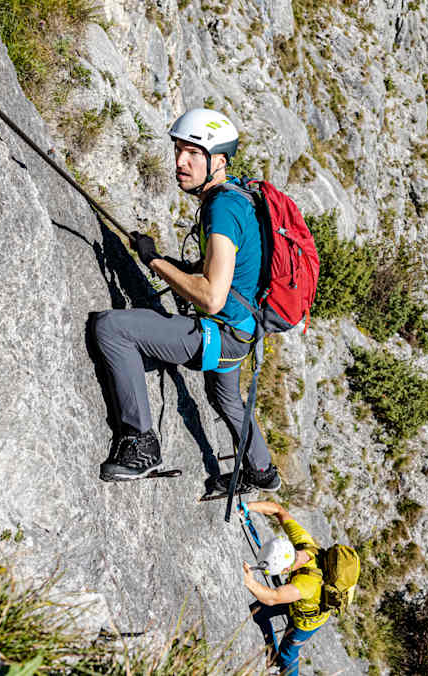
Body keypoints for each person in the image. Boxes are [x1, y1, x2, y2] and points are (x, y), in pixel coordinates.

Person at [94, 107, 280, 494]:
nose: (181, 162)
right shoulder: (240, 196)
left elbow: (211, 297)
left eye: (193, 154)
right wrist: (178, 265)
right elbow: (227, 269)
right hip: (243, 330)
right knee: (224, 395)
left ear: (219, 161)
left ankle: (141, 445)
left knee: (112, 329)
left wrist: (155, 261)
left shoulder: (222, 208)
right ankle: (262, 471)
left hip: (223, 332)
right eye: (178, 150)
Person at [242, 500, 331, 676]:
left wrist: (250, 582)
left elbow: (272, 597)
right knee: (258, 611)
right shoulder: (303, 543)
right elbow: (278, 510)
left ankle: (282, 668)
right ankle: (271, 658)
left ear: (284, 569)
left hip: (307, 619)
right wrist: (247, 507)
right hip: (298, 602)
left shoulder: (306, 584)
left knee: (288, 655)